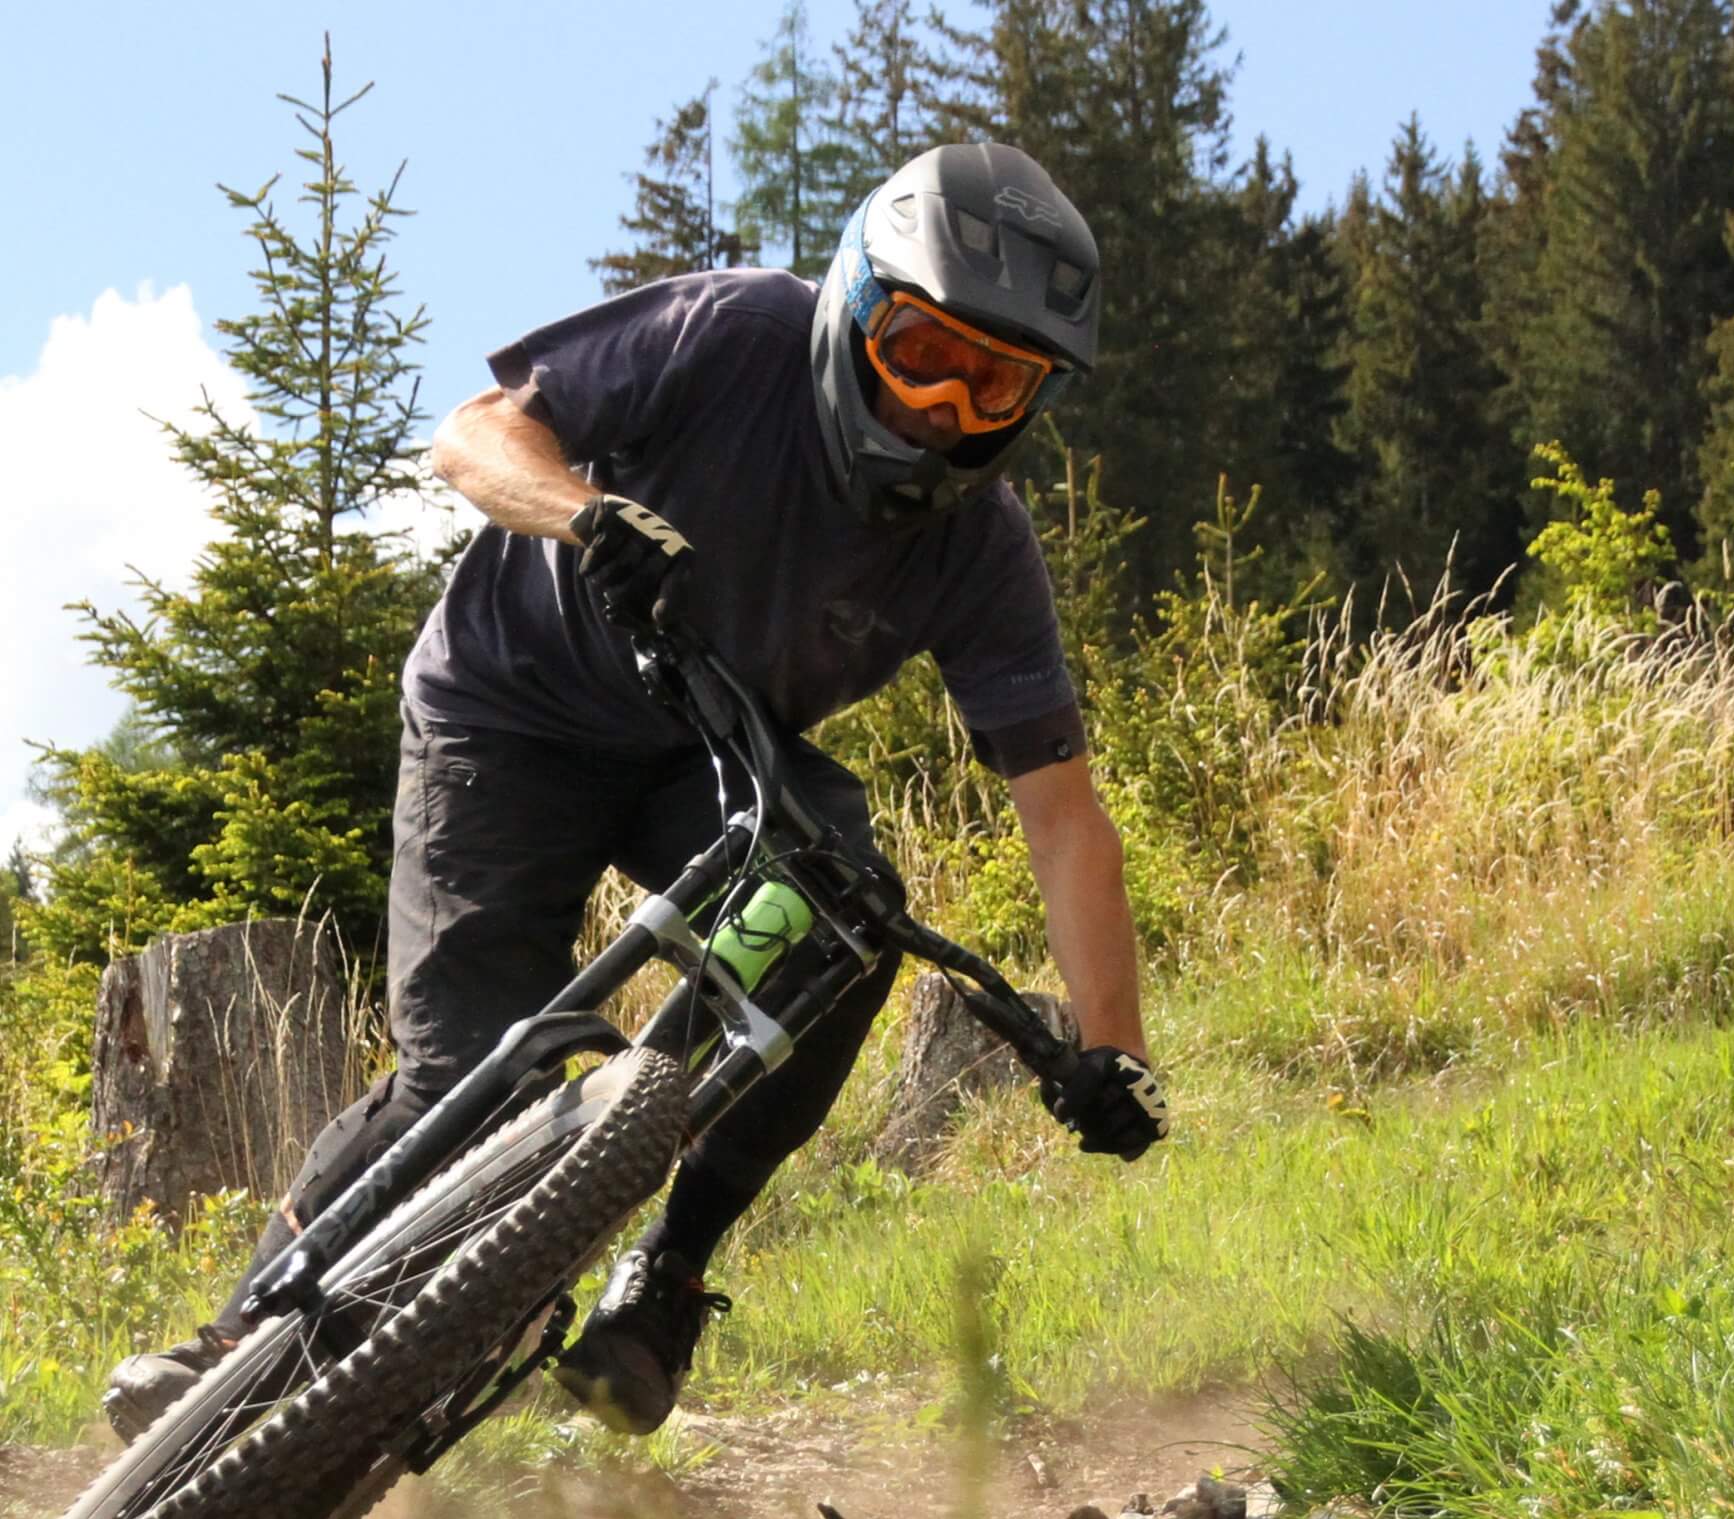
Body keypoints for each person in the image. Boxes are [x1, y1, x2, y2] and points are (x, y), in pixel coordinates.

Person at [103, 141, 1168, 1445]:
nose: (948, 407)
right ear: (850, 307)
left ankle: (665, 1273)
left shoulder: (980, 547)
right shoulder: (734, 335)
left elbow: (1063, 818)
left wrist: (1113, 1052)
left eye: (994, 382)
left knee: (849, 914)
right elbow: (479, 432)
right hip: (510, 712)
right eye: (921, 352)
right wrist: (580, 514)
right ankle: (233, 1347)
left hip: (706, 751)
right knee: (472, 1071)